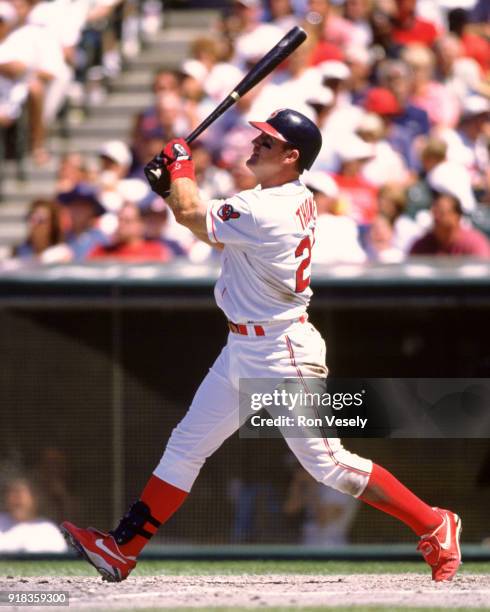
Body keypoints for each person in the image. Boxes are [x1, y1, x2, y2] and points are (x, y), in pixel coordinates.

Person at [61, 108, 462, 584]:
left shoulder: (266, 208)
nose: (255, 146)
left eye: (267, 143)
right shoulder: (272, 199)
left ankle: (435, 523)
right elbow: (210, 230)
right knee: (186, 446)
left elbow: (193, 214)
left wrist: (180, 169)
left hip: (280, 350)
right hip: (242, 346)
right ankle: (123, 548)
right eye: (258, 139)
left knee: (329, 465)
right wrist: (170, 185)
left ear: (292, 157)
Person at [410, 191, 490, 258]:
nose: (437, 217)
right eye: (435, 212)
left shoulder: (473, 243)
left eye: (442, 213)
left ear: (457, 216)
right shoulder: (423, 245)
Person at [0, 476, 67, 553]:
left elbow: (59, 563)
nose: (17, 501)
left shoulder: (48, 531)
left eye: (20, 496)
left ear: (34, 499)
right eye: (13, 494)